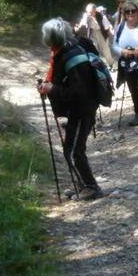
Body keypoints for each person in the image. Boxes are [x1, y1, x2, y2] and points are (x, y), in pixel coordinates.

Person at [38, 18, 102, 200]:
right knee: (70, 150)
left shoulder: (72, 57)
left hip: (83, 110)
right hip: (77, 110)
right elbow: (63, 82)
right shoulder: (63, 53)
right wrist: (49, 86)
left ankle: (91, 187)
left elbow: (79, 92)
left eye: (45, 34)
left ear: (52, 37)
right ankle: (83, 185)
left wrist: (52, 89)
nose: (43, 38)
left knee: (74, 151)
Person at [75, 2, 115, 68]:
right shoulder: (87, 16)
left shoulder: (101, 15)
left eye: (91, 12)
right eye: (88, 12)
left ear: (95, 11)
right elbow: (82, 23)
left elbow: (107, 24)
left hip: (101, 32)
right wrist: (78, 28)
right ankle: (99, 64)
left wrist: (110, 31)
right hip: (92, 33)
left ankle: (111, 64)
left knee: (105, 49)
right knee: (94, 48)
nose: (89, 13)